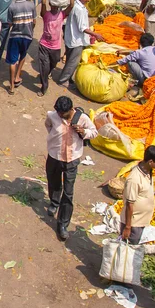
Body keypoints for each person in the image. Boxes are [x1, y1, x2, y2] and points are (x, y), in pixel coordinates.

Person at [45, 96, 98, 240]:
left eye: (64, 113)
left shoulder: (82, 119)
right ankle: (54, 202)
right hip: (54, 156)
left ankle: (62, 224)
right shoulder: (52, 116)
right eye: (59, 113)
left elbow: (94, 132)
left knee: (68, 193)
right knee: (54, 182)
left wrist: (83, 132)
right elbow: (48, 126)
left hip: (72, 160)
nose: (61, 116)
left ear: (71, 109)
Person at [58, 0, 103, 87]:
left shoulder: (79, 6)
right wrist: (95, 34)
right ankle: (63, 80)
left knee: (70, 60)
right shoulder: (78, 9)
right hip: (76, 40)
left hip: (73, 38)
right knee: (73, 62)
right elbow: (82, 27)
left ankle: (68, 78)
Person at [120, 145, 155, 244]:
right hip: (133, 223)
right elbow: (129, 204)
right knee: (128, 248)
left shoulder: (148, 171)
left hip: (141, 220)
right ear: (150, 162)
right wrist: (128, 227)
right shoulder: (134, 179)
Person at [38, 0, 74, 96]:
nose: (54, 7)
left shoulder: (61, 15)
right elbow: (43, 3)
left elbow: (71, 5)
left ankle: (47, 73)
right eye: (52, 5)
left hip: (56, 47)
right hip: (44, 45)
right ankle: (44, 87)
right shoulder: (46, 14)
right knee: (44, 66)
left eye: (56, 6)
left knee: (53, 64)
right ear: (50, 4)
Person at [6, 0, 36, 95]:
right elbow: (34, 21)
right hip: (27, 36)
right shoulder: (31, 5)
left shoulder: (12, 6)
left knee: (12, 61)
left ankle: (12, 86)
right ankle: (18, 76)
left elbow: (10, 24)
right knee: (23, 55)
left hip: (15, 36)